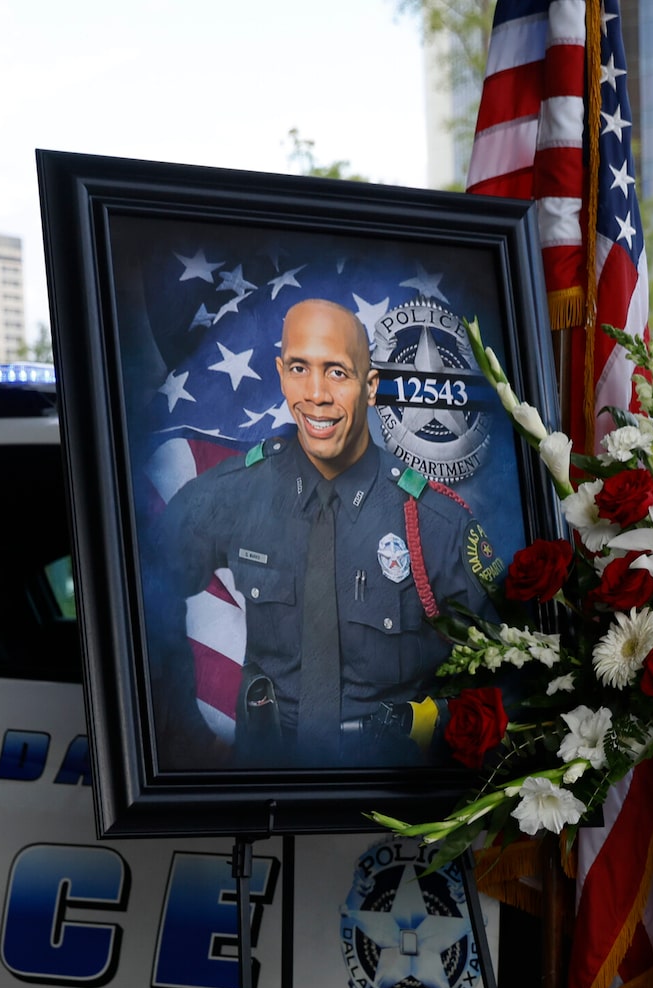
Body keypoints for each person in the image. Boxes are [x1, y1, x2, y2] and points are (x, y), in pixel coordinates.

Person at [154, 298, 495, 768]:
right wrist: (185, 733)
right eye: (299, 368)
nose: (315, 394)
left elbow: (507, 678)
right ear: (280, 373)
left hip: (387, 804)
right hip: (263, 796)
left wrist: (432, 732)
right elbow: (141, 597)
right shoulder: (232, 494)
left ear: (370, 385)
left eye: (337, 372)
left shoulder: (436, 526)